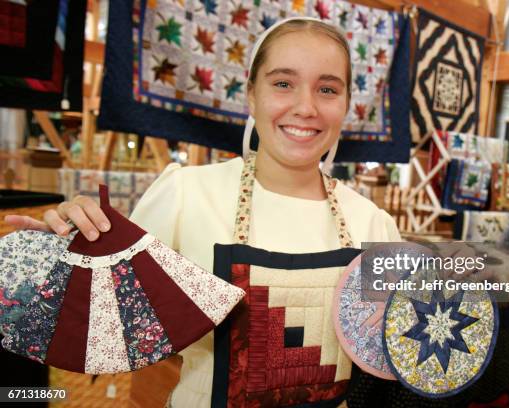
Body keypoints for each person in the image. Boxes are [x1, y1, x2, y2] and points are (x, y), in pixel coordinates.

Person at [5, 17, 400, 407]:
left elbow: (391, 355)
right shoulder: (186, 195)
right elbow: (107, 317)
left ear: (347, 103)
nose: (306, 107)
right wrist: (65, 250)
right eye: (283, 83)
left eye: (327, 89)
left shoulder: (372, 224)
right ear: (251, 94)